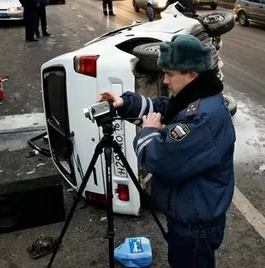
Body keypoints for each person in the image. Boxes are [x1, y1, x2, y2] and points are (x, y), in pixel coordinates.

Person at [98, 35, 236, 268]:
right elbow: (166, 109)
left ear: (191, 75)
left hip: (194, 225)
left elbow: (160, 160)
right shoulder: (196, 96)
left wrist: (149, 132)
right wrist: (124, 103)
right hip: (189, 213)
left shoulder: (202, 118)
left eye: (170, 74)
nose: (165, 80)